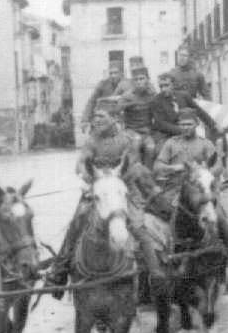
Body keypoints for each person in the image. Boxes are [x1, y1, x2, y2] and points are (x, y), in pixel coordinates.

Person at [44, 99, 164, 298]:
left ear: (114, 118)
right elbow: (81, 163)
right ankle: (59, 271)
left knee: (137, 225)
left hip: (123, 188)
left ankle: (155, 271)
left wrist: (114, 178)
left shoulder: (127, 140)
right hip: (98, 190)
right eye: (95, 116)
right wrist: (88, 174)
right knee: (77, 222)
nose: (96, 120)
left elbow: (132, 167)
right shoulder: (93, 140)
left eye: (101, 116)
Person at [153, 107, 228, 260]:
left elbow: (218, 165)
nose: (185, 127)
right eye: (182, 124)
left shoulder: (205, 144)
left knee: (217, 214)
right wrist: (173, 167)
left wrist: (204, 174)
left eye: (189, 124)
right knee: (159, 215)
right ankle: (162, 250)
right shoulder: (171, 144)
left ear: (197, 124)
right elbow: (157, 167)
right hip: (175, 189)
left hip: (200, 189)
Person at [119, 63, 159, 165]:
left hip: (146, 131)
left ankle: (148, 173)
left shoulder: (152, 95)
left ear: (147, 80)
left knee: (151, 147)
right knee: (136, 143)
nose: (139, 82)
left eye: (142, 78)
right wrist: (129, 104)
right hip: (131, 131)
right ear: (133, 82)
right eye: (136, 79)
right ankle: (134, 172)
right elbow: (117, 109)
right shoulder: (127, 95)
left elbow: (158, 113)